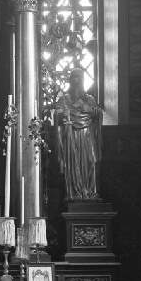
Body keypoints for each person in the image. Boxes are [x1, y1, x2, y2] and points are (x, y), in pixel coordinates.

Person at [53, 67, 103, 201]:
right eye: (76, 76)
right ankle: (76, 193)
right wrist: (62, 113)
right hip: (72, 135)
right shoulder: (64, 100)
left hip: (87, 134)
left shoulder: (89, 99)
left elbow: (98, 113)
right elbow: (57, 113)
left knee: (91, 160)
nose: (79, 80)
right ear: (71, 80)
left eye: (81, 77)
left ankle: (92, 192)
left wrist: (90, 110)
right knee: (74, 163)